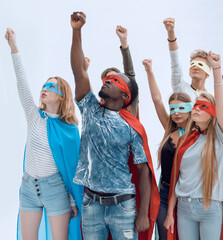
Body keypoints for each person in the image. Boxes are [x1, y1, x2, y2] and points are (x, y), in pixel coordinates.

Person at [70, 12, 159, 240]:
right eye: (107, 79)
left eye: (116, 81)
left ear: (125, 95)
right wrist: (77, 30)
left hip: (123, 205)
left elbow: (143, 172)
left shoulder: (132, 126)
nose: (108, 80)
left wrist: (143, 215)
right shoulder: (90, 109)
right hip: (91, 204)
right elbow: (79, 71)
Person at [5, 28, 83, 240]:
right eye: (44, 85)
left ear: (61, 96)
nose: (45, 89)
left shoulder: (69, 130)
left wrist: (72, 200)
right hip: (29, 187)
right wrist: (14, 48)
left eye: (51, 87)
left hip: (55, 189)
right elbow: (22, 83)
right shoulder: (34, 116)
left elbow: (72, 167)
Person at [163, 51, 223, 240]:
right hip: (184, 208)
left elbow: (221, 104)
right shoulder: (185, 140)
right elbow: (176, 179)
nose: (196, 108)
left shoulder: (220, 138)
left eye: (203, 106)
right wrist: (170, 213)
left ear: (213, 112)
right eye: (195, 105)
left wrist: (216, 70)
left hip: (210, 207)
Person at [142, 59, 192, 240]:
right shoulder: (170, 129)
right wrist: (149, 71)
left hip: (187, 196)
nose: (176, 113)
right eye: (173, 109)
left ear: (190, 110)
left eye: (181, 108)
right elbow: (157, 100)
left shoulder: (198, 134)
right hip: (165, 193)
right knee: (164, 235)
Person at [163, 17, 211, 103]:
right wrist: (171, 33)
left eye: (200, 65)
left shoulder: (212, 99)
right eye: (193, 64)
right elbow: (175, 63)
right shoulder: (180, 87)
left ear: (207, 73)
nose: (195, 67)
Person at [99, 25, 138, 117]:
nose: (110, 81)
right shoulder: (99, 110)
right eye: (108, 80)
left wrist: (123, 42)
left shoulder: (130, 104)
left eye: (116, 80)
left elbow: (130, 73)